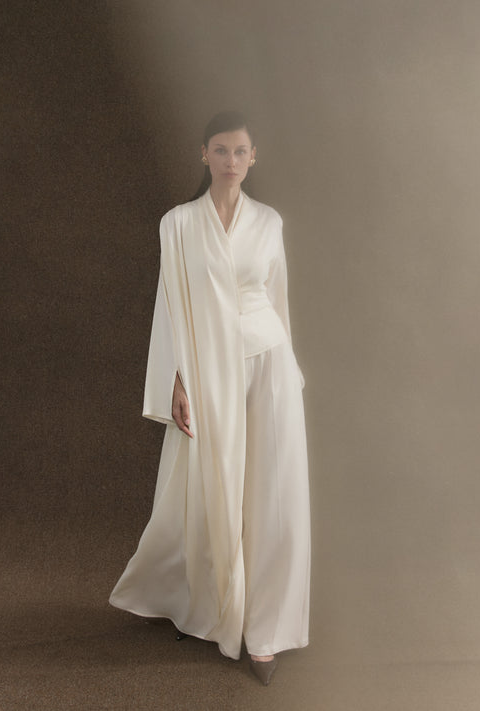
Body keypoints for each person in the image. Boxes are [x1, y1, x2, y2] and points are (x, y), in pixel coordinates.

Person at [109, 110, 311, 686]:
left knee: (273, 492)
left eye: (240, 151)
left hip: (267, 362)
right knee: (210, 485)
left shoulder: (268, 222)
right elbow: (170, 305)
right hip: (206, 367)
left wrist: (291, 370)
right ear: (204, 154)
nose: (230, 160)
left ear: (253, 157)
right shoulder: (177, 224)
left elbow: (278, 298)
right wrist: (175, 379)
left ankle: (267, 632)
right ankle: (212, 603)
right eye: (220, 150)